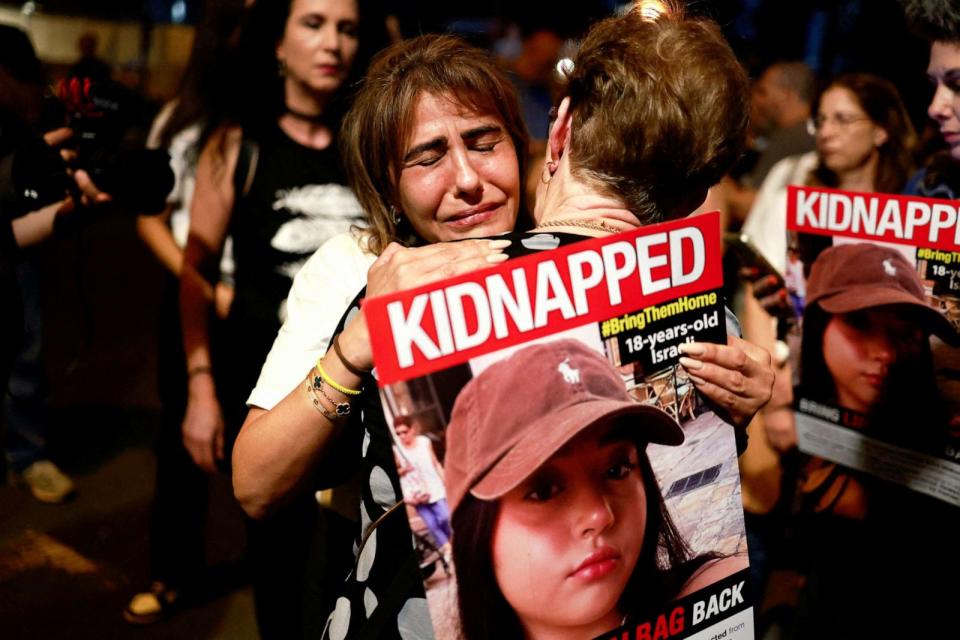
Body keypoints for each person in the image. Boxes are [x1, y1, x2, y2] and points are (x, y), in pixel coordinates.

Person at [234, 7, 774, 636]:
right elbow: (256, 485)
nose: (467, 180)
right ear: (388, 188)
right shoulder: (358, 268)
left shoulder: (620, 276)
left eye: (484, 142)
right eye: (427, 157)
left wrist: (733, 404)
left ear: (535, 141)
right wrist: (357, 348)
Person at [178, 0, 384, 636]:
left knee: (348, 560)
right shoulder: (237, 143)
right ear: (278, 44)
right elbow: (196, 270)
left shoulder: (368, 142)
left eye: (348, 29)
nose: (333, 44)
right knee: (279, 568)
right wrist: (201, 384)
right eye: (314, 24)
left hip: (354, 387)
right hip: (264, 383)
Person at [446, 339, 746, 640]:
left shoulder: (715, 598)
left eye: (616, 470)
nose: (600, 515)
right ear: (475, 532)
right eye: (543, 490)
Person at [124, 0, 248, 624]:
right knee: (183, 445)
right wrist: (200, 278)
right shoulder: (180, 124)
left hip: (261, 312)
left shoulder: (272, 124)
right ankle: (172, 574)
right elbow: (149, 218)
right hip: (194, 303)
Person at [787, 242, 959, 638]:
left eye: (905, 334)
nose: (884, 352)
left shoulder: (941, 429)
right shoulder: (789, 414)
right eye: (859, 324)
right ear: (819, 327)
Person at [392, 415, 451, 556]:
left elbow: (435, 463)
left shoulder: (424, 442)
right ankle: (448, 548)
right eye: (398, 433)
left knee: (445, 517)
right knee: (431, 524)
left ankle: (451, 540)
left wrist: (445, 481)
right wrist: (404, 470)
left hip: (434, 487)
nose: (401, 436)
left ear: (412, 430)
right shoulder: (397, 449)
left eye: (404, 432)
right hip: (416, 493)